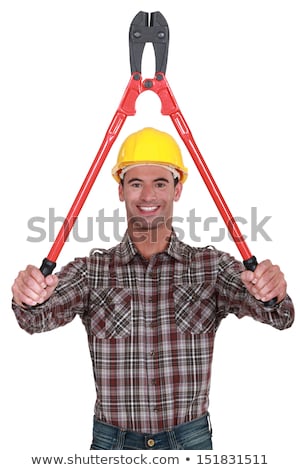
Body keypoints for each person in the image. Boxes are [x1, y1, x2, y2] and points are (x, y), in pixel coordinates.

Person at [11, 127, 294, 450]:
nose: (148, 196)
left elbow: (280, 317)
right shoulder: (92, 271)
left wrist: (272, 293)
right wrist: (29, 298)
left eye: (160, 183)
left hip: (190, 443)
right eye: (135, 183)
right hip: (113, 446)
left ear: (177, 190)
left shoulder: (210, 267)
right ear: (120, 190)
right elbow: (34, 319)